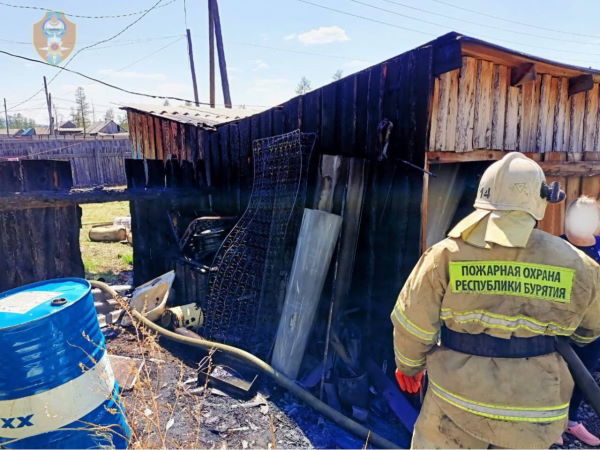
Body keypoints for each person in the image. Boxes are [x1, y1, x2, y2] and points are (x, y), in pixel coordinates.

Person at [391, 152, 600, 449]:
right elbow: (590, 330)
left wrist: (409, 367)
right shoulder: (579, 264)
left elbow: (413, 324)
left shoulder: (445, 254)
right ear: (541, 199)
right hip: (534, 410)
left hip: (456, 400)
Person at [558, 196, 600, 446]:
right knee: (555, 374)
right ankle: (552, 424)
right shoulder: (555, 247)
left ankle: (571, 421)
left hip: (593, 329)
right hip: (559, 327)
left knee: (583, 376)